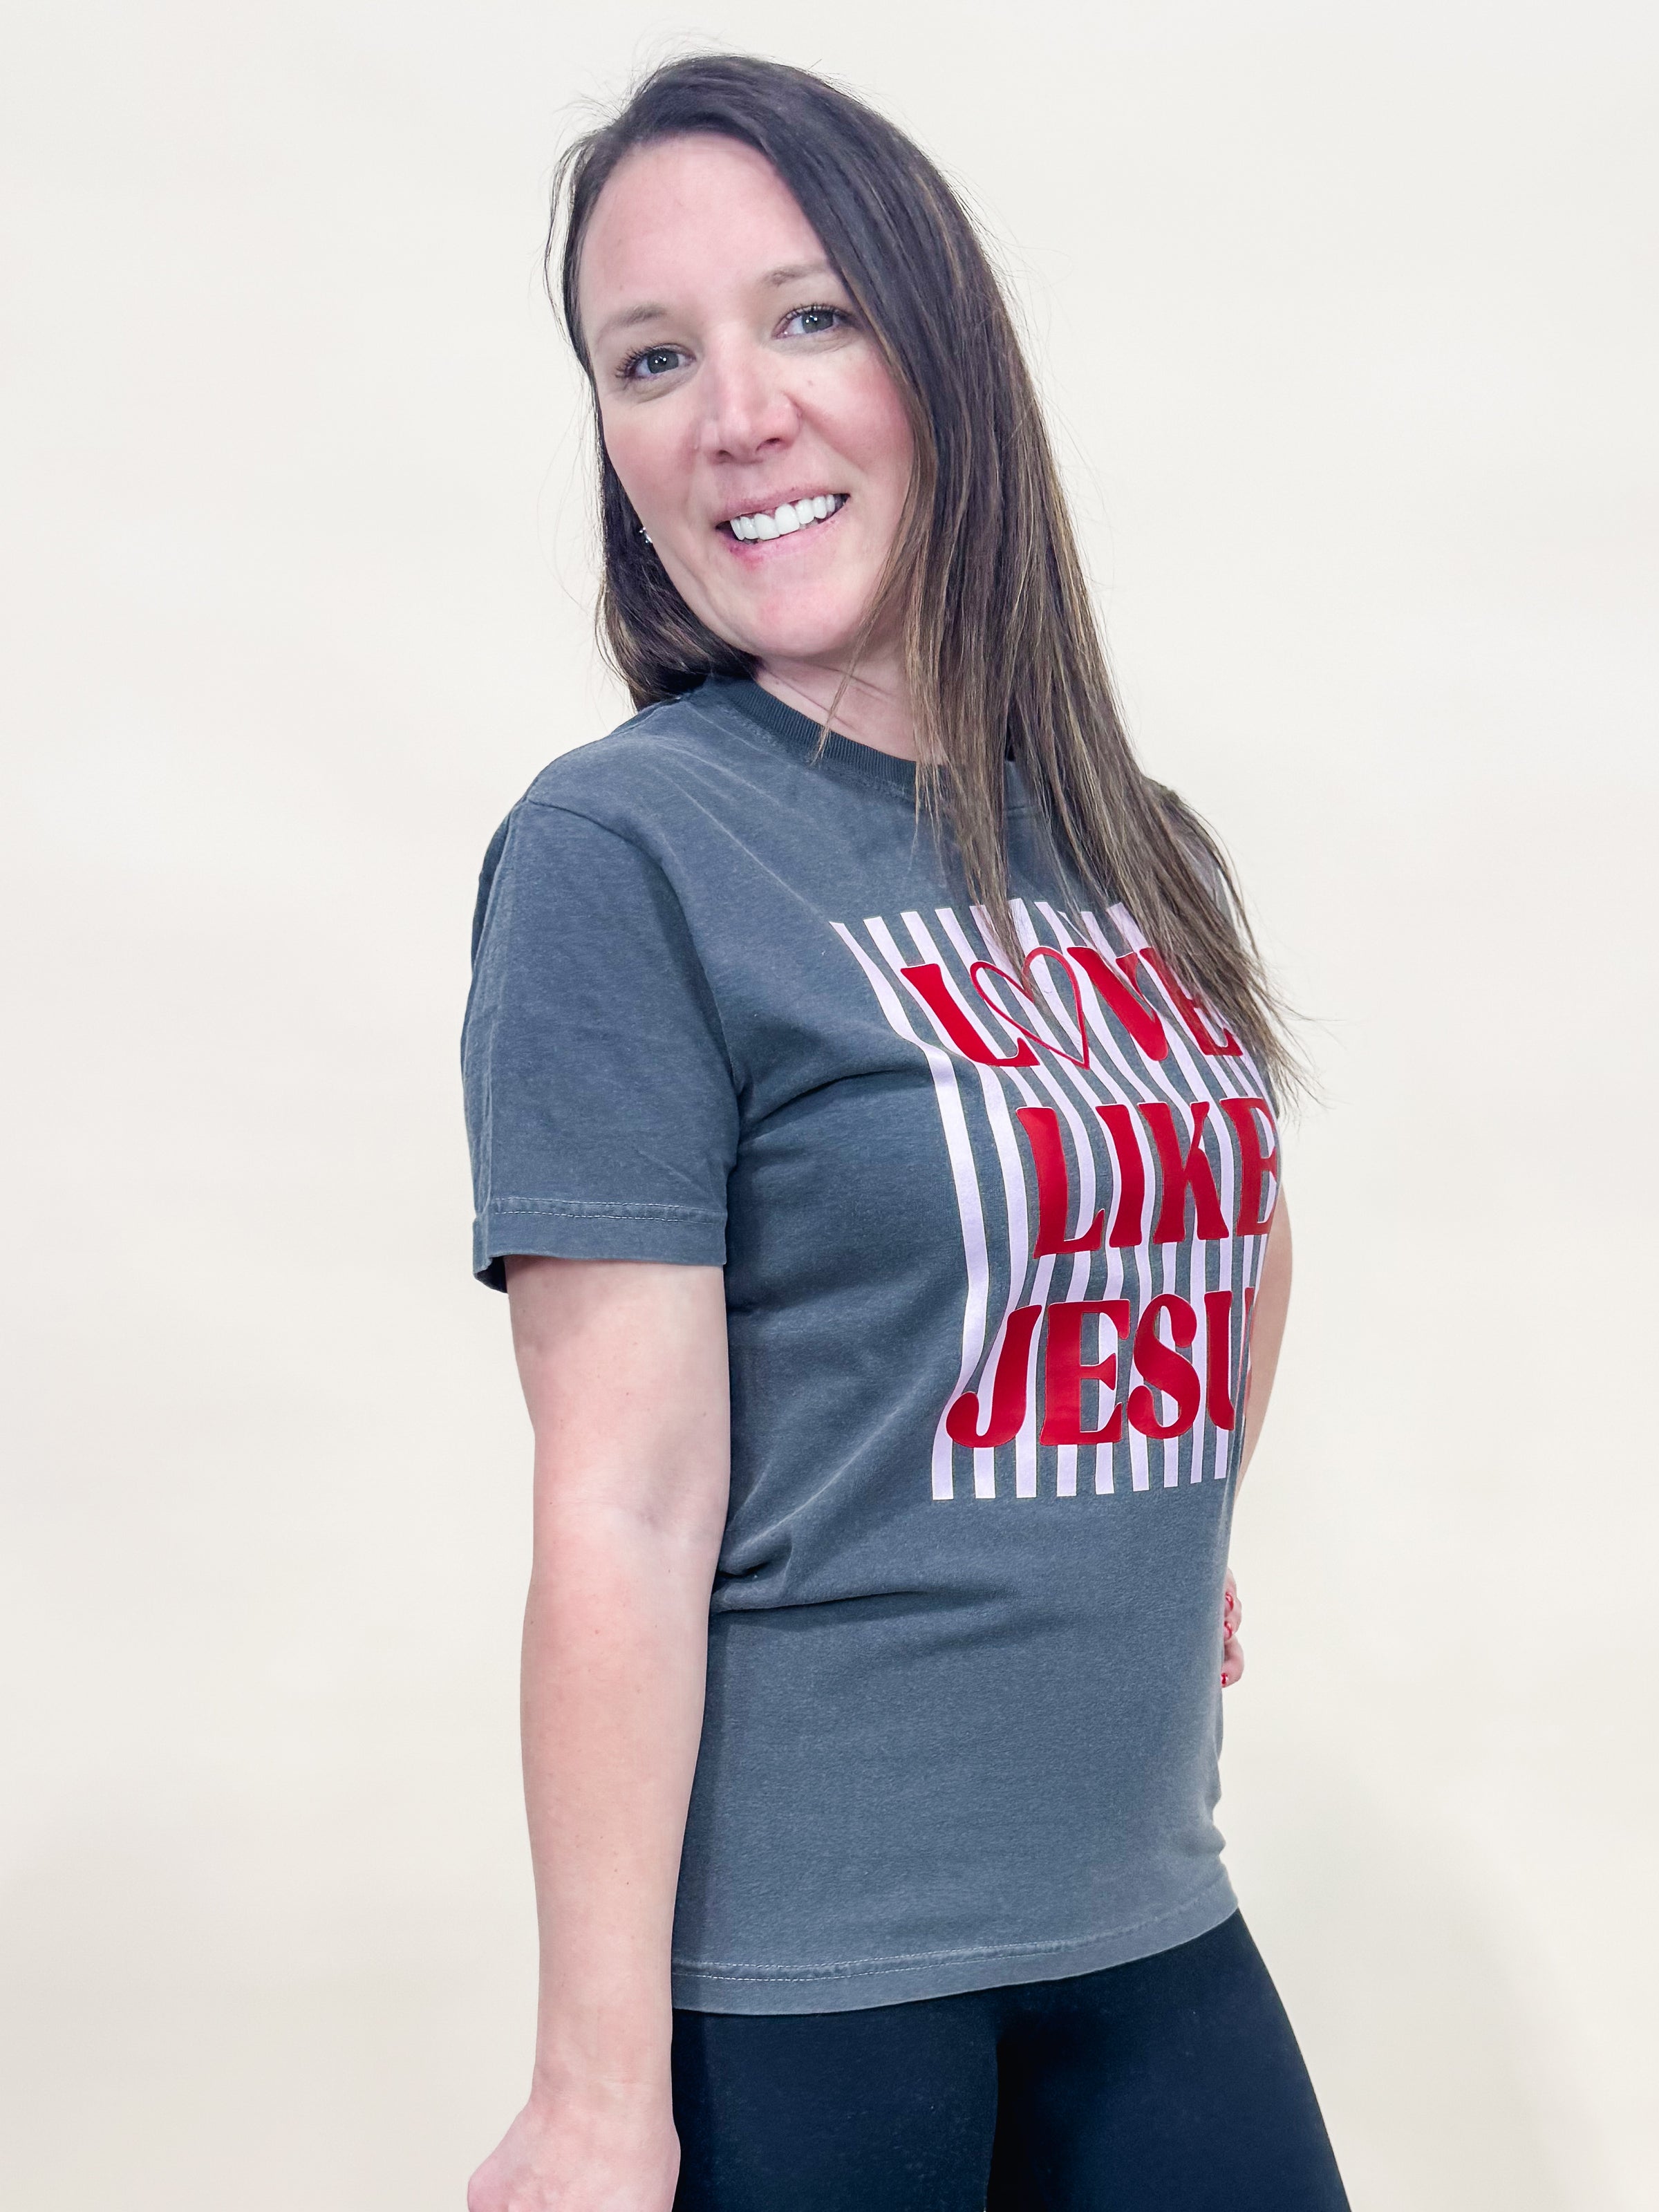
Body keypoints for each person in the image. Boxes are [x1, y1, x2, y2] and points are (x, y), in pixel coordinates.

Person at [461, 53, 1347, 2212]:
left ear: (941, 358)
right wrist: (597, 2094)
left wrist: (1157, 1532)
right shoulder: (626, 854)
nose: (737, 411)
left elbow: (1228, 1216)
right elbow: (625, 1504)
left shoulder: (1131, 842)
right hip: (813, 1992)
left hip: (1149, 1914)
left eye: (810, 317)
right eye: (652, 358)